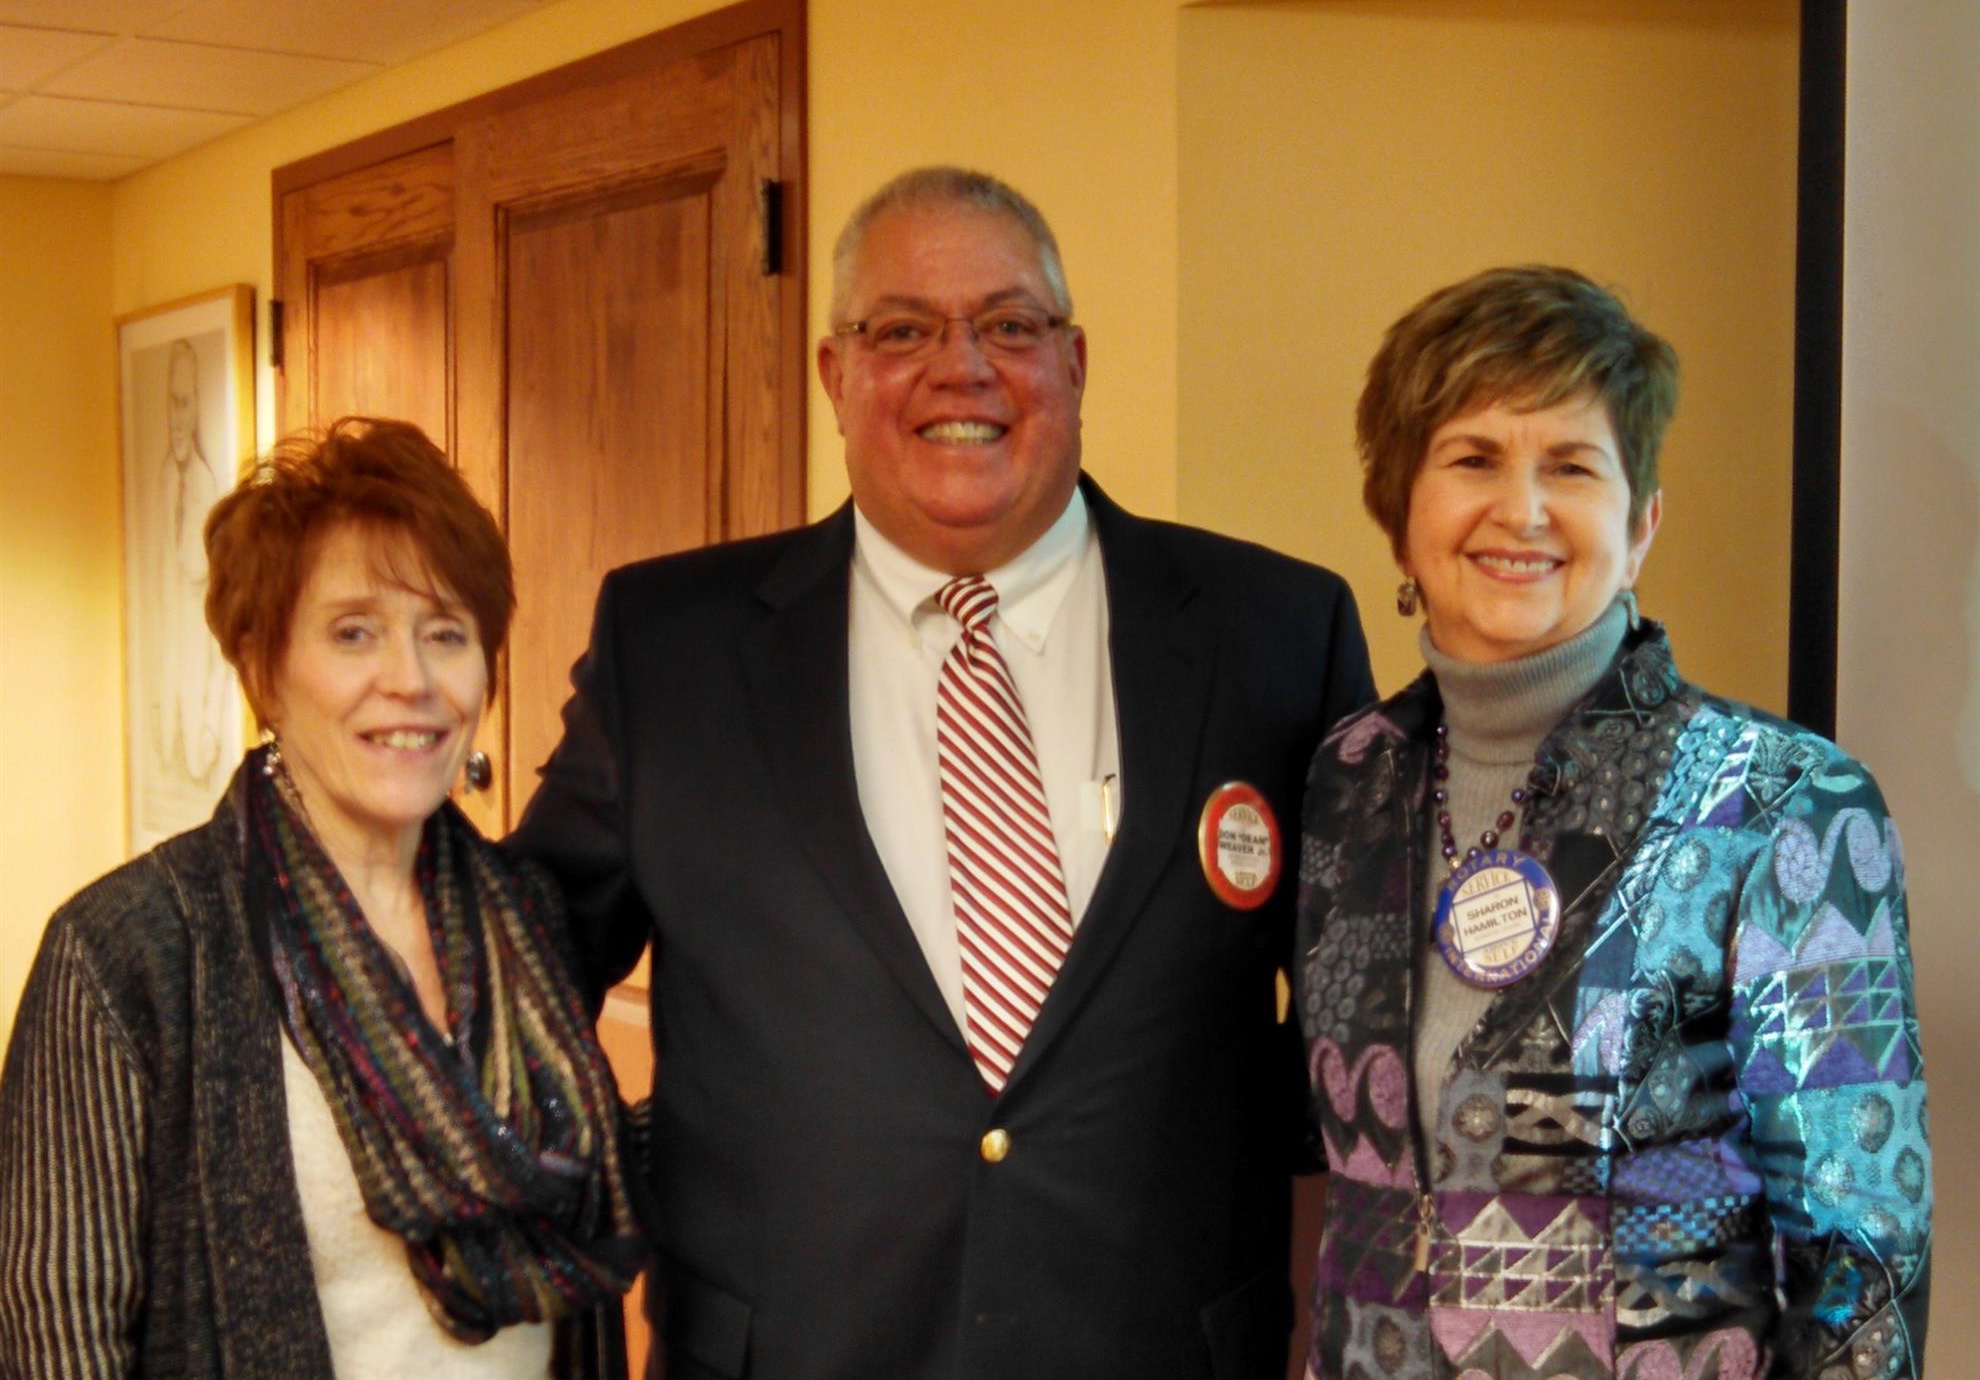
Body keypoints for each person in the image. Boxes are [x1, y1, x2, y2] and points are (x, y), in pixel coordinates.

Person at [510, 166, 1375, 1378]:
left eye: (1010, 326)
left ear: (1075, 362)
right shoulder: (672, 647)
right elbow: (520, 968)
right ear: (834, 374)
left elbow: (1365, 1010)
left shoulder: (1275, 631)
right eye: (902, 330)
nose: (960, 368)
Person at [1295, 267, 1930, 1379]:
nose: (1522, 510)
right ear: (1398, 515)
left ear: (1640, 525)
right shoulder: (1350, 783)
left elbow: (1863, 1266)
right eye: (1473, 459)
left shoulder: (1786, 805)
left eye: (1572, 466)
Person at [0, 419, 642, 1378]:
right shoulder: (126, 952)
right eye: (354, 633)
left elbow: (592, 1183)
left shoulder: (527, 918)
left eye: (445, 634)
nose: (411, 681)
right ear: (264, 669)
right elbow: (58, 1333)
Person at [152, 337, 227, 787]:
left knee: (198, 764)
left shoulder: (204, 486)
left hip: (198, 648)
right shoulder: (165, 477)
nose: (177, 418)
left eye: (185, 403)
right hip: (169, 643)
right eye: (171, 403)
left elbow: (193, 566)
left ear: (197, 407)